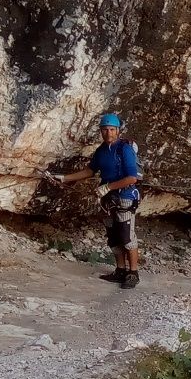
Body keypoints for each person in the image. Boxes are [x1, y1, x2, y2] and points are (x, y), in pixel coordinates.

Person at [48, 114, 142, 289]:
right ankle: (120, 270)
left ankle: (133, 273)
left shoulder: (124, 149)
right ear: (101, 131)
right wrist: (65, 178)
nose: (108, 133)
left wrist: (108, 187)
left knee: (127, 237)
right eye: (105, 130)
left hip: (125, 197)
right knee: (113, 237)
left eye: (112, 130)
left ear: (118, 131)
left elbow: (132, 178)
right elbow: (90, 171)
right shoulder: (101, 151)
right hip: (108, 199)